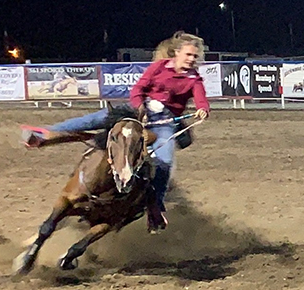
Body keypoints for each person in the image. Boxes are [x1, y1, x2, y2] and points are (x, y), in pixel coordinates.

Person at [21, 32, 210, 230]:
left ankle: (156, 208)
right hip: (137, 110)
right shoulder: (159, 67)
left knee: (164, 162)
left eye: (195, 57)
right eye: (188, 55)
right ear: (177, 53)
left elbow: (201, 99)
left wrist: (203, 109)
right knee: (94, 119)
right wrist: (139, 108)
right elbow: (138, 89)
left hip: (163, 123)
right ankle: (43, 135)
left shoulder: (194, 80)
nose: (191, 60)